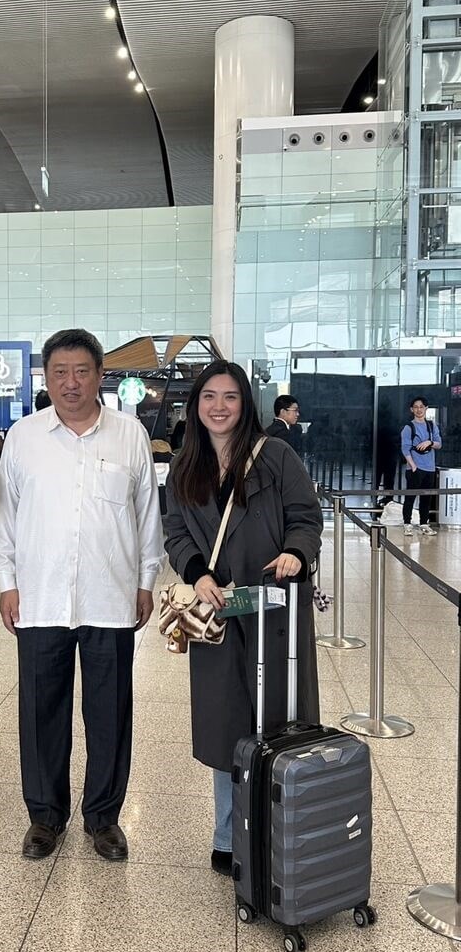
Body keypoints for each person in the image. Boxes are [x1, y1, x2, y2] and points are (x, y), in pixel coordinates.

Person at [0, 328, 164, 863]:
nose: (71, 382)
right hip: (39, 597)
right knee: (42, 710)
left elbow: (146, 516)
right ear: (46, 377)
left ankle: (104, 818)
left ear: (100, 375)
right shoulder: (23, 436)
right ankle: (44, 817)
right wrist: (6, 582)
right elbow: (6, 517)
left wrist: (145, 581)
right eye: (60, 372)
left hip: (110, 596)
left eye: (81, 371)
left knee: (110, 711)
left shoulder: (129, 435)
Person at [164, 360, 322, 877]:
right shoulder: (186, 465)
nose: (219, 406)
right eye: (209, 396)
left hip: (274, 608)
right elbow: (176, 532)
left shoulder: (276, 455)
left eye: (230, 396)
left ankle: (280, 827)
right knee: (226, 724)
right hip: (218, 613)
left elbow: (305, 516)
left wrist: (296, 553)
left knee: (278, 717)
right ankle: (229, 834)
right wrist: (196, 572)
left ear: (244, 403)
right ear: (196, 404)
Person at [401, 396, 442, 537]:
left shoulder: (432, 426)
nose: (419, 410)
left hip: (430, 468)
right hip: (415, 468)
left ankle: (424, 523)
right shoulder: (408, 427)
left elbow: (438, 444)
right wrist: (413, 466)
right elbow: (405, 448)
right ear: (412, 409)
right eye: (416, 407)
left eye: (421, 407)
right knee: (410, 497)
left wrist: (429, 442)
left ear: (426, 408)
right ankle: (407, 524)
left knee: (426, 498)